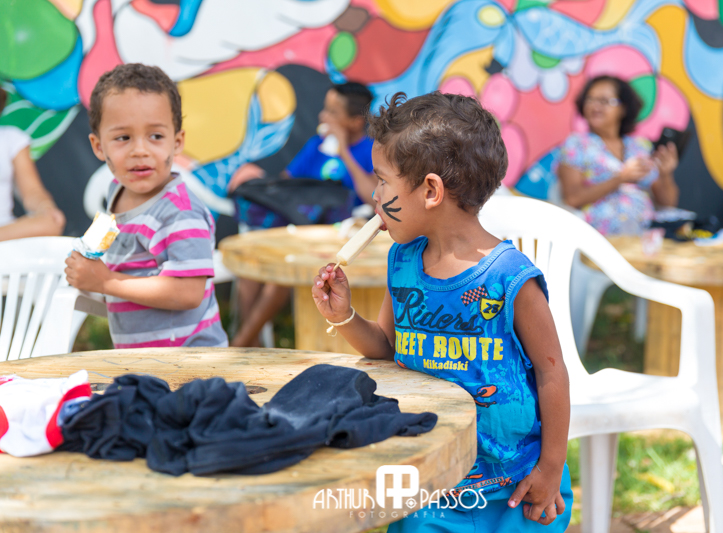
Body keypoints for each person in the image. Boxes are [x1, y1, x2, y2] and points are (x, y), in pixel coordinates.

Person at [313, 92, 572, 532]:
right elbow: (386, 346)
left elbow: (552, 373)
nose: (375, 195)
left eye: (383, 182)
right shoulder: (403, 263)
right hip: (428, 483)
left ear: (430, 191)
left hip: (512, 486)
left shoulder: (509, 277)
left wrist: (550, 469)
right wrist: (344, 317)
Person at [64, 63, 228, 348]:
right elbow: (110, 235)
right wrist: (86, 260)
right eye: (123, 137)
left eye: (156, 136)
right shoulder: (116, 190)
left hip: (191, 363)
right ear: (99, 146)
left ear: (177, 142)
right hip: (143, 362)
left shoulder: (180, 212)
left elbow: (188, 292)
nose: (140, 150)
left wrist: (106, 282)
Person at [230, 81, 376, 347]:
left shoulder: (370, 150)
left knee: (279, 279)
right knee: (250, 273)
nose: (323, 116)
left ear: (355, 122)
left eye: (332, 112)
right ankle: (252, 345)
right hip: (299, 230)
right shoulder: (316, 145)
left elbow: (373, 197)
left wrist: (344, 151)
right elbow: (289, 184)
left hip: (335, 239)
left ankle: (239, 345)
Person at [558, 75, 679, 236]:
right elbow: (573, 198)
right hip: (599, 237)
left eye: (604, 101)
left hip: (644, 235)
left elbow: (668, 203)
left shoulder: (639, 146)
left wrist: (665, 174)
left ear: (623, 108)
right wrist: (620, 178)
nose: (595, 106)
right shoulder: (576, 144)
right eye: (590, 99)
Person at [0, 88, 65, 241]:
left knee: (50, 223)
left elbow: (32, 191)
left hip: (7, 232)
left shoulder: (11, 138)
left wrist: (45, 207)